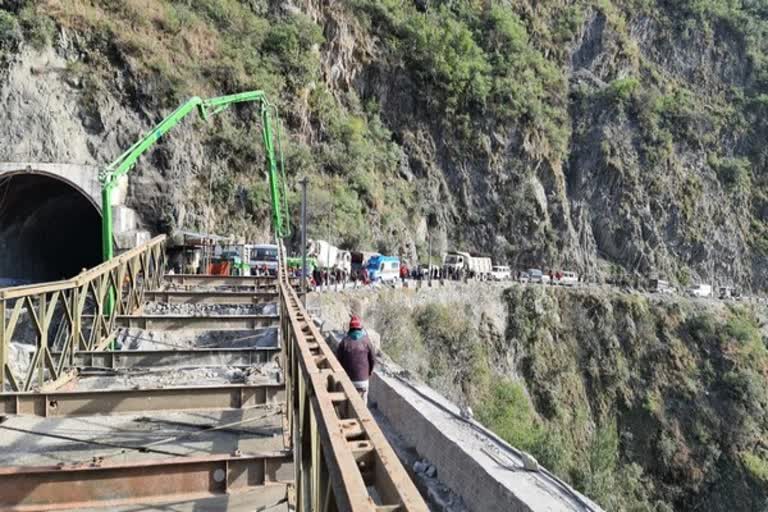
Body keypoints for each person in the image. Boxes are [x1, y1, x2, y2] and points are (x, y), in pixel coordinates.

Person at [335, 316, 376, 403]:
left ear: (350, 328)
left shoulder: (344, 342)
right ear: (360, 328)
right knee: (363, 402)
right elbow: (373, 359)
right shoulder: (366, 341)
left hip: (348, 380)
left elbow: (338, 360)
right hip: (363, 381)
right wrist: (370, 372)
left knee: (347, 402)